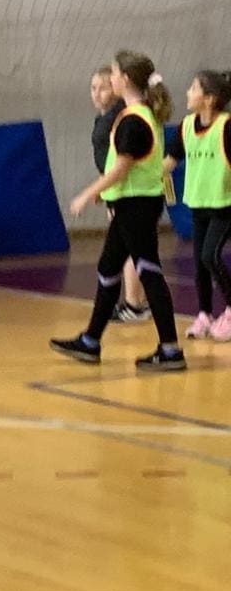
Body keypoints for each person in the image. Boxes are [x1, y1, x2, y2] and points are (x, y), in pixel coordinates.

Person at [50, 50, 185, 371]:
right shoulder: (137, 115)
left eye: (112, 73)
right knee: (109, 268)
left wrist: (87, 194)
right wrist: (105, 193)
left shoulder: (134, 120)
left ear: (124, 79)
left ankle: (170, 350)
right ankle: (91, 340)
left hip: (137, 205)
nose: (110, 78)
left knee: (149, 272)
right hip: (131, 202)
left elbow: (121, 169)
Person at [163, 70, 231, 340]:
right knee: (200, 263)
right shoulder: (187, 126)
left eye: (193, 88)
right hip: (199, 204)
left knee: (210, 256)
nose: (187, 93)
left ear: (209, 99)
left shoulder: (226, 127)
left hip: (225, 205)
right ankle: (204, 314)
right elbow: (169, 162)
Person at [89, 67, 149, 323]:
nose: (96, 93)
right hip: (114, 190)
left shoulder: (121, 117)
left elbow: (121, 160)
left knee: (129, 249)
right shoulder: (102, 118)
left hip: (126, 191)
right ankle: (137, 302)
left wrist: (99, 188)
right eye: (93, 88)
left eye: (103, 87)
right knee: (128, 247)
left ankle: (135, 303)